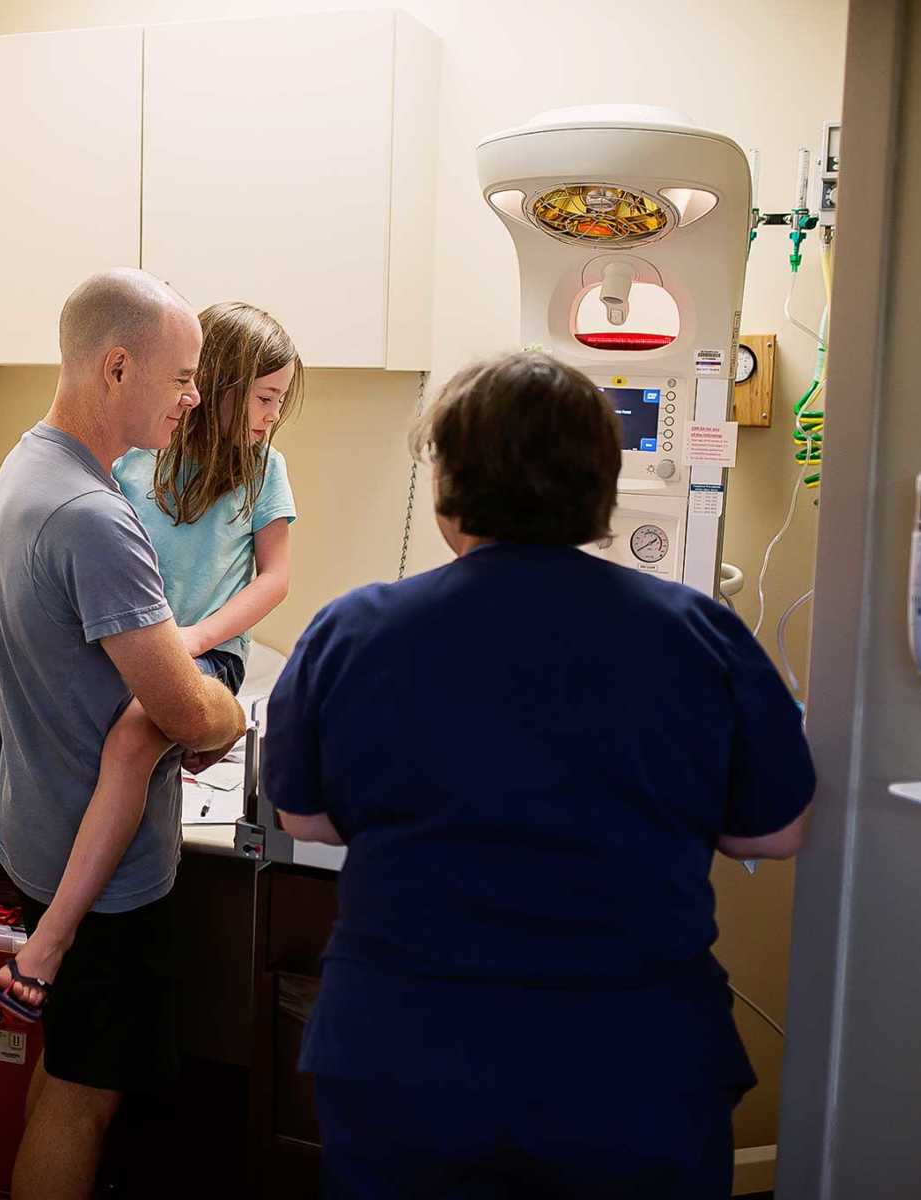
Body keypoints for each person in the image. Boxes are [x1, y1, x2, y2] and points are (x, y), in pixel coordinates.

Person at [263, 352, 815, 1200]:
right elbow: (777, 829)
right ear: (601, 485)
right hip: (631, 1067)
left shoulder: (356, 632)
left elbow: (301, 817)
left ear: (446, 483)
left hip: (409, 1060)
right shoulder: (695, 633)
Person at [0, 268, 249, 1199]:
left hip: (38, 829)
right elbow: (175, 710)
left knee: (68, 1064)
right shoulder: (94, 518)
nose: (193, 398)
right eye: (181, 378)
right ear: (118, 366)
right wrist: (228, 711)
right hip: (107, 874)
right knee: (83, 1098)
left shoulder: (29, 464)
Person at [0, 301, 303, 1022]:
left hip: (199, 655)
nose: (272, 416)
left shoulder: (265, 469)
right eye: (266, 398)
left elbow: (275, 578)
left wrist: (196, 640)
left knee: (137, 735)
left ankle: (49, 942)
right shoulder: (140, 454)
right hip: (128, 637)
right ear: (223, 386)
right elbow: (103, 567)